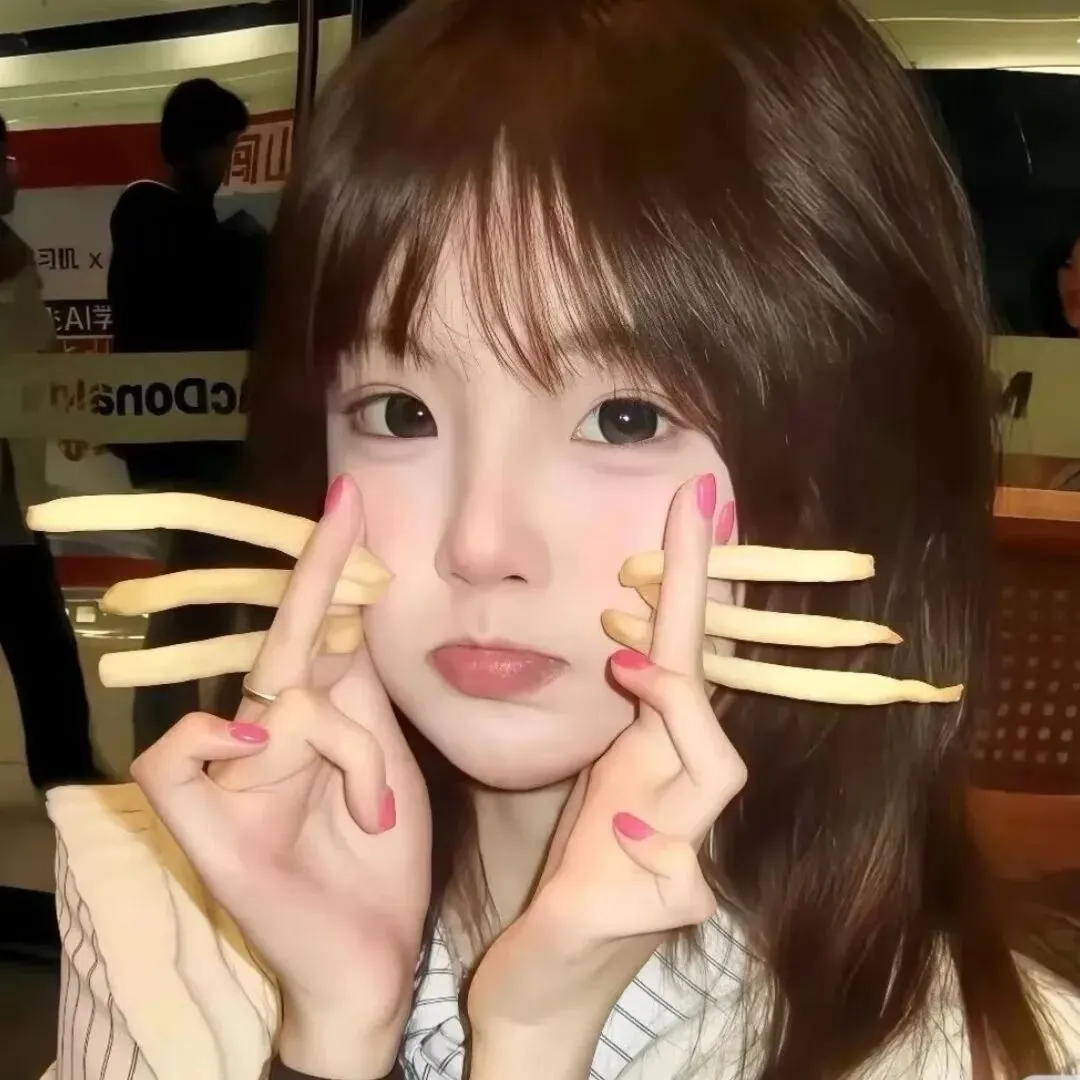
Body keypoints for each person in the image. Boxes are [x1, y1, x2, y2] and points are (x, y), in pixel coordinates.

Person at [41, 2, 1080, 1079]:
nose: (481, 543)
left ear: (849, 468)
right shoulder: (154, 917)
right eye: (399, 412)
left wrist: (535, 1044)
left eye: (625, 419)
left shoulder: (980, 1055)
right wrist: (332, 1036)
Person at [107, 78, 269, 752]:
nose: (227, 164)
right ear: (196, 147)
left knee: (210, 600)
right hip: (187, 445)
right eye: (224, 147)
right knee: (194, 602)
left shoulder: (180, 224)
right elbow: (198, 305)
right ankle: (170, 746)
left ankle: (191, 741)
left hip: (201, 441)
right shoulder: (153, 216)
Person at [0, 115, 100, 791]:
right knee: (40, 636)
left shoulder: (12, 250)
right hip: (4, 497)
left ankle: (66, 770)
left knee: (41, 639)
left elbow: (34, 352)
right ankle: (65, 771)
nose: (14, 173)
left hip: (13, 485)